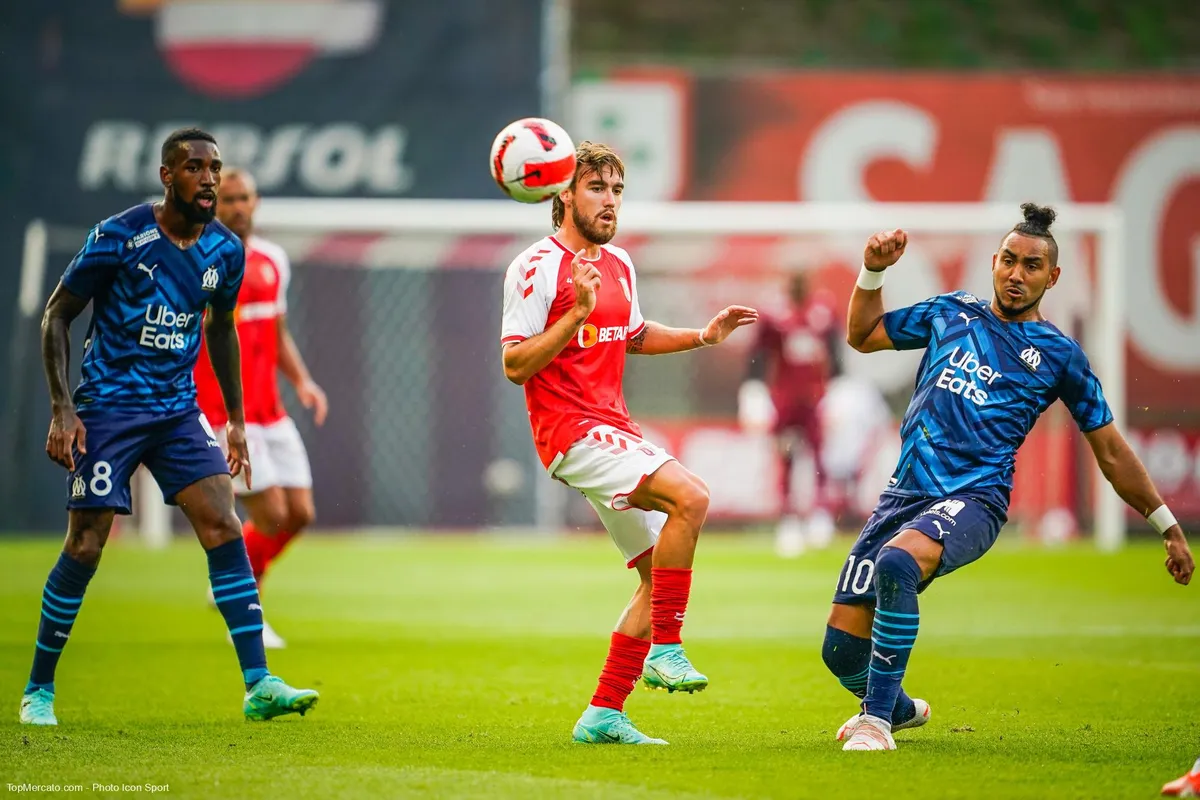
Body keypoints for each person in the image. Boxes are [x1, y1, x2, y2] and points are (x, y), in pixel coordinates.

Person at [826, 203, 1193, 751]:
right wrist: (873, 271)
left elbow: (1112, 452)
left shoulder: (1060, 356)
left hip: (976, 499)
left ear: (1053, 276)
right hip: (904, 493)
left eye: (1031, 266)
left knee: (897, 562)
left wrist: (1166, 525)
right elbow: (863, 335)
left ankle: (875, 722)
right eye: (1008, 261)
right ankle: (899, 708)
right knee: (840, 651)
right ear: (994, 263)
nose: (1016, 274)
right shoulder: (951, 312)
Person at [20, 128, 318, 726]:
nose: (208, 179)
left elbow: (221, 330)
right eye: (194, 167)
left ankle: (258, 683)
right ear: (167, 176)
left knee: (223, 524)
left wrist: (236, 421)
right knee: (86, 543)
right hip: (109, 409)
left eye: (215, 168)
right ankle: (39, 689)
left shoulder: (224, 251)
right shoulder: (119, 236)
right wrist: (62, 408)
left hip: (179, 411)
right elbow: (57, 315)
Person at [500, 141, 757, 745]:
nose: (611, 201)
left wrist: (702, 336)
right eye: (597, 188)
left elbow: (633, 335)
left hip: (613, 427)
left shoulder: (618, 263)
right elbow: (514, 364)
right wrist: (575, 313)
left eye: (617, 189)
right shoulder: (535, 266)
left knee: (654, 577)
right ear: (564, 195)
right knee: (691, 497)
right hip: (572, 432)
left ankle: (604, 713)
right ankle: (668, 647)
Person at [194, 168, 328, 649]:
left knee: (300, 513)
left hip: (271, 411)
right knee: (270, 514)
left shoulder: (273, 260)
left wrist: (303, 380)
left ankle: (228, 586)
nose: (237, 207)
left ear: (256, 202)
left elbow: (277, 331)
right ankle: (246, 606)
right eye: (227, 199)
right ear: (213, 205)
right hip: (223, 415)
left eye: (244, 198)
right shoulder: (199, 260)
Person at [739, 272, 840, 557]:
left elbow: (835, 352)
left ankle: (820, 515)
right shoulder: (775, 314)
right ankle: (789, 521)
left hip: (816, 397)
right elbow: (757, 354)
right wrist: (753, 390)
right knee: (786, 457)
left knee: (820, 456)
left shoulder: (823, 311)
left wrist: (838, 391)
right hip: (784, 398)